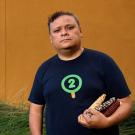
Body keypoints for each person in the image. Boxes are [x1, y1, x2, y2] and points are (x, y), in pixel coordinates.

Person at [28, 11, 132, 135]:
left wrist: (106, 122)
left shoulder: (103, 62)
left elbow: (126, 103)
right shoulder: (44, 69)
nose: (64, 33)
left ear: (80, 31)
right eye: (57, 30)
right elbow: (35, 110)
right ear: (51, 38)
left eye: (70, 27)